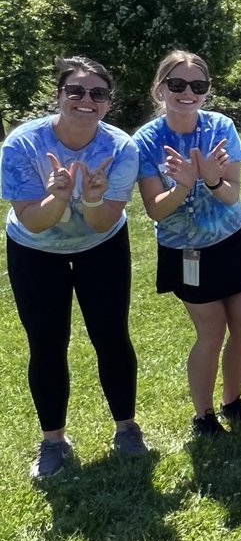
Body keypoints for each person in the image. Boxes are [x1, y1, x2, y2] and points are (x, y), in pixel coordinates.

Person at [2, 57, 147, 478]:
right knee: (46, 343)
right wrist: (60, 197)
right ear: (59, 96)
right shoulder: (22, 144)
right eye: (77, 92)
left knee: (111, 335)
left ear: (108, 103)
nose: (87, 100)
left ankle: (126, 428)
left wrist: (95, 198)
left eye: (98, 94)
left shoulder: (120, 147)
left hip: (101, 244)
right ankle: (52, 441)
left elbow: (103, 220)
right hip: (34, 247)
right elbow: (32, 218)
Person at [134, 51, 241, 437]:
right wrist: (185, 184)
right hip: (186, 250)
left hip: (230, 239)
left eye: (198, 86)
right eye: (177, 84)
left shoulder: (220, 126)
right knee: (211, 329)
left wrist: (212, 180)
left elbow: (233, 195)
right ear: (160, 88)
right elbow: (156, 210)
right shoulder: (147, 140)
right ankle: (203, 415)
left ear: (207, 92)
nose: (188, 92)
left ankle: (232, 401)